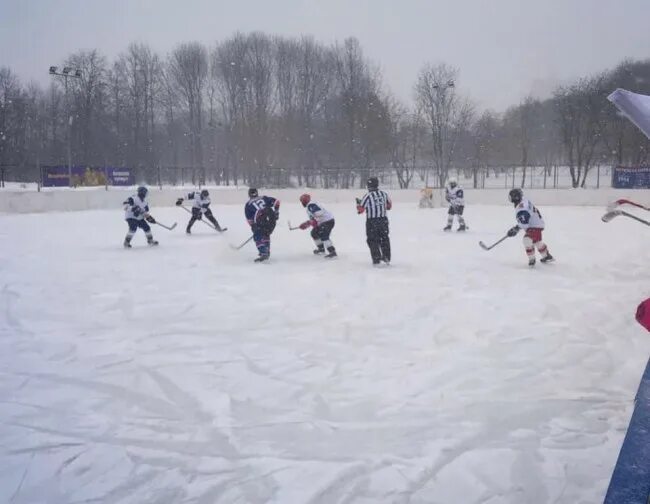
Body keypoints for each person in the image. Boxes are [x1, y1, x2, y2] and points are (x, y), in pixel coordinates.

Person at [506, 188, 554, 266]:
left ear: (515, 197)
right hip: (536, 224)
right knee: (536, 241)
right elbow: (524, 220)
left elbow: (524, 223)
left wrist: (516, 229)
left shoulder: (522, 207)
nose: (510, 198)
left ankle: (532, 259)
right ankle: (546, 256)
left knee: (527, 240)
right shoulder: (523, 202)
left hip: (535, 226)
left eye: (511, 196)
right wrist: (517, 227)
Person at [356, 176, 392, 265]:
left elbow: (361, 210)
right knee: (384, 238)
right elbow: (389, 206)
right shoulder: (384, 194)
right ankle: (386, 256)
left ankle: (376, 258)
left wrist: (358, 204)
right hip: (383, 220)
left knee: (372, 239)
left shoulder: (367, 196)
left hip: (372, 221)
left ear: (368, 186)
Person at [244, 188, 280, 262]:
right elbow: (277, 202)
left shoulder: (248, 204)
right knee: (266, 233)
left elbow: (250, 220)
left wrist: (254, 228)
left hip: (260, 217)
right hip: (271, 217)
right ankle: (266, 251)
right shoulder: (264, 198)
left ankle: (264, 252)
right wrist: (276, 211)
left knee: (258, 235)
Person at [297, 193, 337, 258]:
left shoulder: (311, 204)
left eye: (302, 201)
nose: (302, 202)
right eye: (301, 201)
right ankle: (321, 249)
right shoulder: (309, 207)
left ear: (306, 200)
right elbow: (313, 220)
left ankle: (332, 252)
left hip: (327, 221)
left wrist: (310, 221)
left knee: (323, 234)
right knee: (314, 233)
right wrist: (307, 224)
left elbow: (319, 213)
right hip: (323, 222)